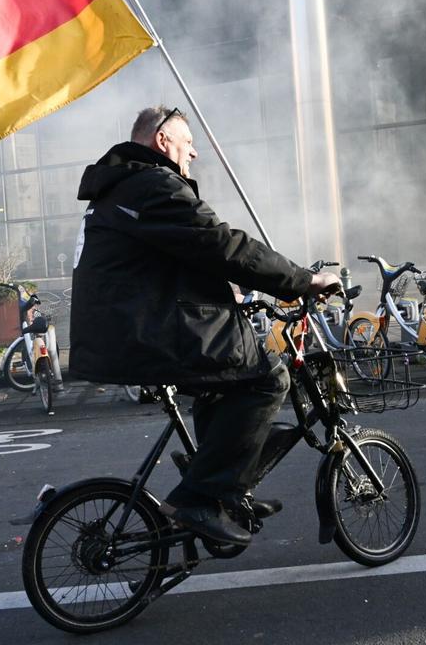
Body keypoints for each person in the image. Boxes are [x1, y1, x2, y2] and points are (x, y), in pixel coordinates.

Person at [70, 105, 340, 546]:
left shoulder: (123, 188)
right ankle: (202, 495)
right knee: (268, 380)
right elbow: (222, 244)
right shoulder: (153, 185)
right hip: (145, 333)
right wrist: (302, 281)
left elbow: (162, 263)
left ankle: (225, 491)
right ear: (162, 141)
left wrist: (224, 293)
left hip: (129, 327)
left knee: (224, 382)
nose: (193, 153)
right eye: (188, 142)